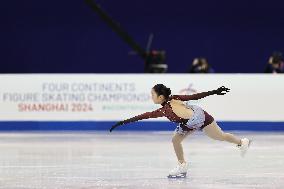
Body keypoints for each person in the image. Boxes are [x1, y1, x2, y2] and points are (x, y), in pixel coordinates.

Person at [110, 84, 251, 178]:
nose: (151, 96)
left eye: (152, 94)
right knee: (175, 140)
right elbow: (145, 116)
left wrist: (214, 91)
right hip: (188, 123)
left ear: (160, 97)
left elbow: (194, 97)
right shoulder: (163, 110)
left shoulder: (174, 100)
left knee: (219, 136)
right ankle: (182, 165)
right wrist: (123, 122)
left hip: (200, 118)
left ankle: (242, 142)